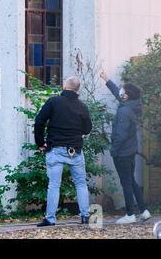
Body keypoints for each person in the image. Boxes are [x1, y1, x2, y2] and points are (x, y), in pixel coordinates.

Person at [35, 77, 92, 227]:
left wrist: (40, 142)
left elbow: (39, 121)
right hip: (76, 151)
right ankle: (85, 216)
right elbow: (87, 129)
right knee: (81, 184)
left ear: (65, 86)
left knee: (54, 185)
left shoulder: (54, 102)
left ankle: (50, 219)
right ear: (77, 89)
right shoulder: (82, 106)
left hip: (56, 149)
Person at [100, 71, 151, 224]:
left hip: (122, 152)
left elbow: (120, 135)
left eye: (123, 89)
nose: (121, 90)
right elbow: (118, 94)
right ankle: (143, 211)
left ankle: (130, 214)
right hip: (130, 150)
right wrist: (107, 80)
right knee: (131, 181)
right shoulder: (132, 105)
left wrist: (114, 150)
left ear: (127, 95)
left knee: (126, 182)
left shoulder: (124, 111)